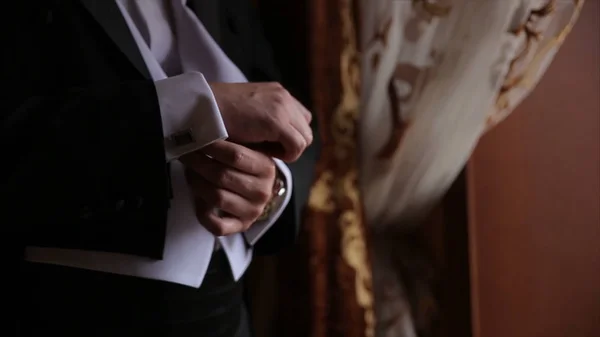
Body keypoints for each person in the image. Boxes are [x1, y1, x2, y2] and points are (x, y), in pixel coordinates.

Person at [1, 1, 318, 336]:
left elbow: (283, 95)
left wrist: (273, 187)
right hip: (66, 307)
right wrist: (194, 108)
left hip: (231, 310)